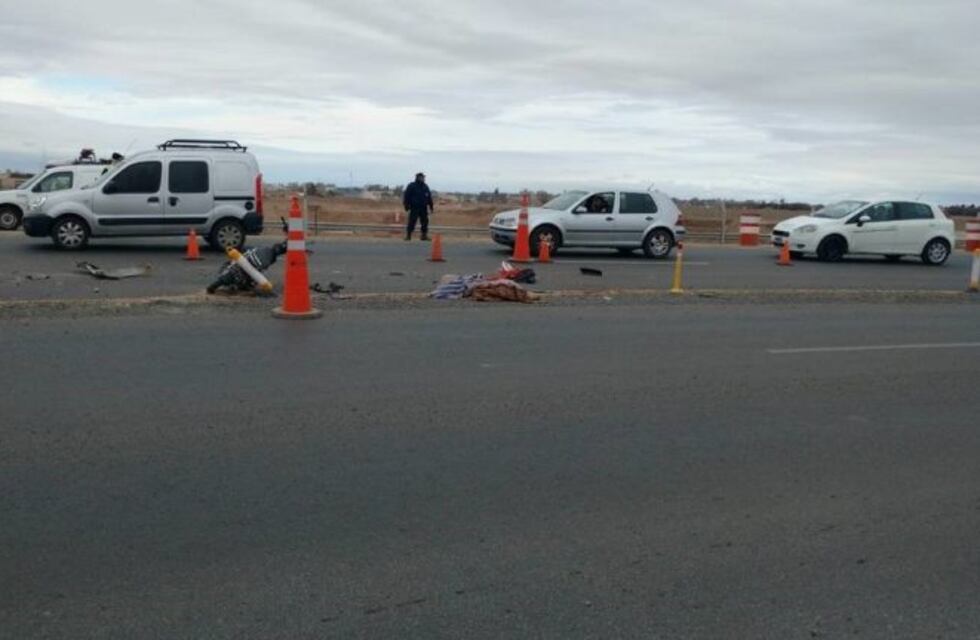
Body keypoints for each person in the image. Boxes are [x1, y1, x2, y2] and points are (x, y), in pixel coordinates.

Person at [403, 172, 434, 241]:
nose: (423, 179)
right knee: (412, 222)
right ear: (418, 178)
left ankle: (424, 236)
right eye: (422, 177)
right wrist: (406, 206)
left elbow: (429, 197)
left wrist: (431, 206)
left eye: (423, 177)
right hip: (414, 207)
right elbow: (406, 196)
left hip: (423, 208)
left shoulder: (425, 186)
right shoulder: (412, 186)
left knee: (425, 222)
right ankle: (408, 236)